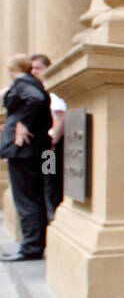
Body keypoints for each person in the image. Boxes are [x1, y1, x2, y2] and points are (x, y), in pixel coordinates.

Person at [1, 55, 53, 261]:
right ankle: (33, 245)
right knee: (35, 197)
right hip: (35, 150)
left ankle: (31, 247)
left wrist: (23, 123)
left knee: (28, 198)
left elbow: (36, 100)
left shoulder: (23, 83)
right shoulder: (32, 84)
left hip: (26, 151)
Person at [29, 54, 66, 219]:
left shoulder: (52, 91)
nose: (34, 71)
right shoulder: (40, 90)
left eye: (38, 67)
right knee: (46, 179)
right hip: (46, 146)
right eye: (32, 68)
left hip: (51, 146)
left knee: (50, 180)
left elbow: (60, 117)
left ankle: (52, 215)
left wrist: (52, 142)